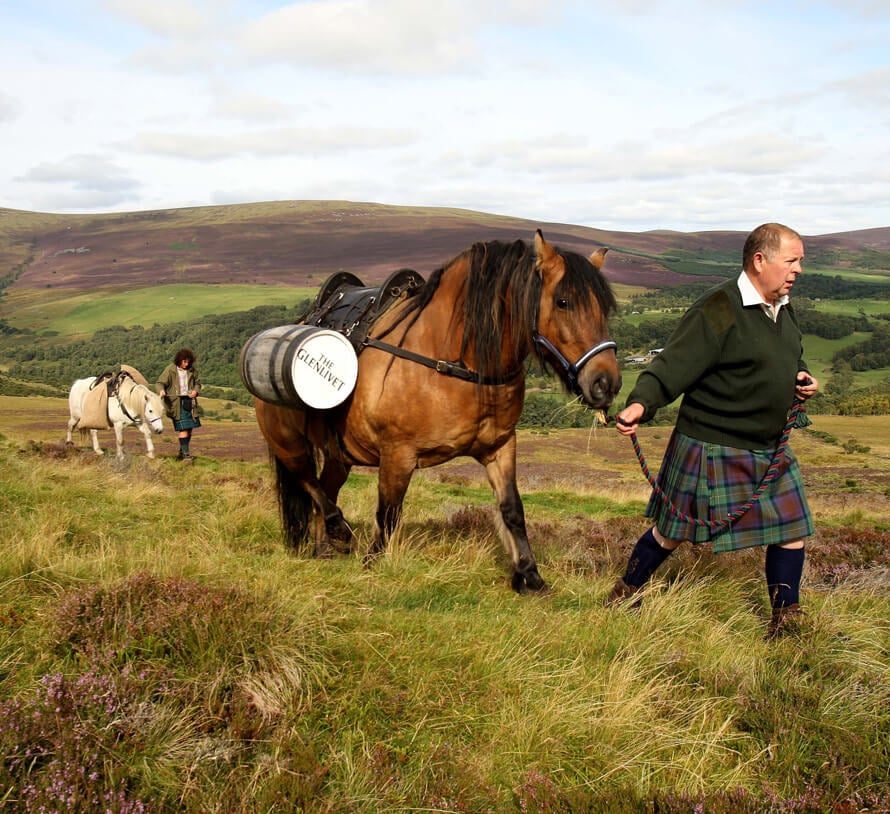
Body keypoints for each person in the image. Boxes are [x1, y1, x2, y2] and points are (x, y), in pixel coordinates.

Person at [609, 223, 819, 640]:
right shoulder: (718, 309)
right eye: (791, 261)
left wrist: (801, 375)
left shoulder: (782, 305)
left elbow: (788, 353)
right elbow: (672, 364)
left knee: (793, 529)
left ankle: (786, 622)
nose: (797, 270)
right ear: (760, 260)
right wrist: (640, 403)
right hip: (711, 443)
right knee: (672, 532)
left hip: (768, 446)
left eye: (800, 262)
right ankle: (625, 593)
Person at [156, 348, 203, 461]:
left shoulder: (192, 370)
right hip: (176, 403)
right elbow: (160, 383)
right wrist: (161, 391)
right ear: (179, 360)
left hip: (190, 403)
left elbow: (197, 383)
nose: (186, 364)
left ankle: (182, 451)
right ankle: (186, 455)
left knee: (190, 428)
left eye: (188, 362)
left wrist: (196, 391)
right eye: (184, 361)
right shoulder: (170, 369)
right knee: (184, 429)